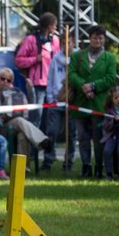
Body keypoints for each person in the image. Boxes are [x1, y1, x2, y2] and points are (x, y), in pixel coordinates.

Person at [69, 24, 117, 178]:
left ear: (104, 39)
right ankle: (86, 166)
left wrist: (93, 86)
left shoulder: (110, 58)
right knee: (82, 137)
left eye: (101, 38)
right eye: (95, 37)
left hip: (99, 103)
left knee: (99, 138)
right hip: (80, 102)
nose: (97, 40)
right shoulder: (77, 56)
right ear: (89, 38)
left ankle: (99, 167)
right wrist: (83, 86)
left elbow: (110, 78)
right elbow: (71, 74)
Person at [0, 68, 53, 168]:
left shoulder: (16, 92)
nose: (5, 82)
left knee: (22, 135)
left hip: (17, 126)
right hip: (0, 128)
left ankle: (22, 168)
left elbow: (31, 105)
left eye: (9, 80)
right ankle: (43, 141)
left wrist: (30, 90)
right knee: (20, 121)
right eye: (3, 79)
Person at [14, 12, 60, 128]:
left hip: (54, 84)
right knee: (36, 116)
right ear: (49, 25)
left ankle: (49, 144)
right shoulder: (31, 39)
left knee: (52, 116)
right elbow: (18, 60)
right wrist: (35, 59)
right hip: (37, 84)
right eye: (54, 25)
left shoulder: (55, 40)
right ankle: (35, 145)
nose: (56, 28)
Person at [43, 31, 77, 172]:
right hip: (57, 100)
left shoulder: (78, 58)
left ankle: (68, 162)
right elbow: (50, 79)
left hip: (73, 100)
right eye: (63, 42)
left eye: (68, 42)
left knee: (72, 133)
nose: (66, 45)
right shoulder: (55, 59)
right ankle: (48, 160)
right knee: (52, 131)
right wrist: (51, 98)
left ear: (73, 43)